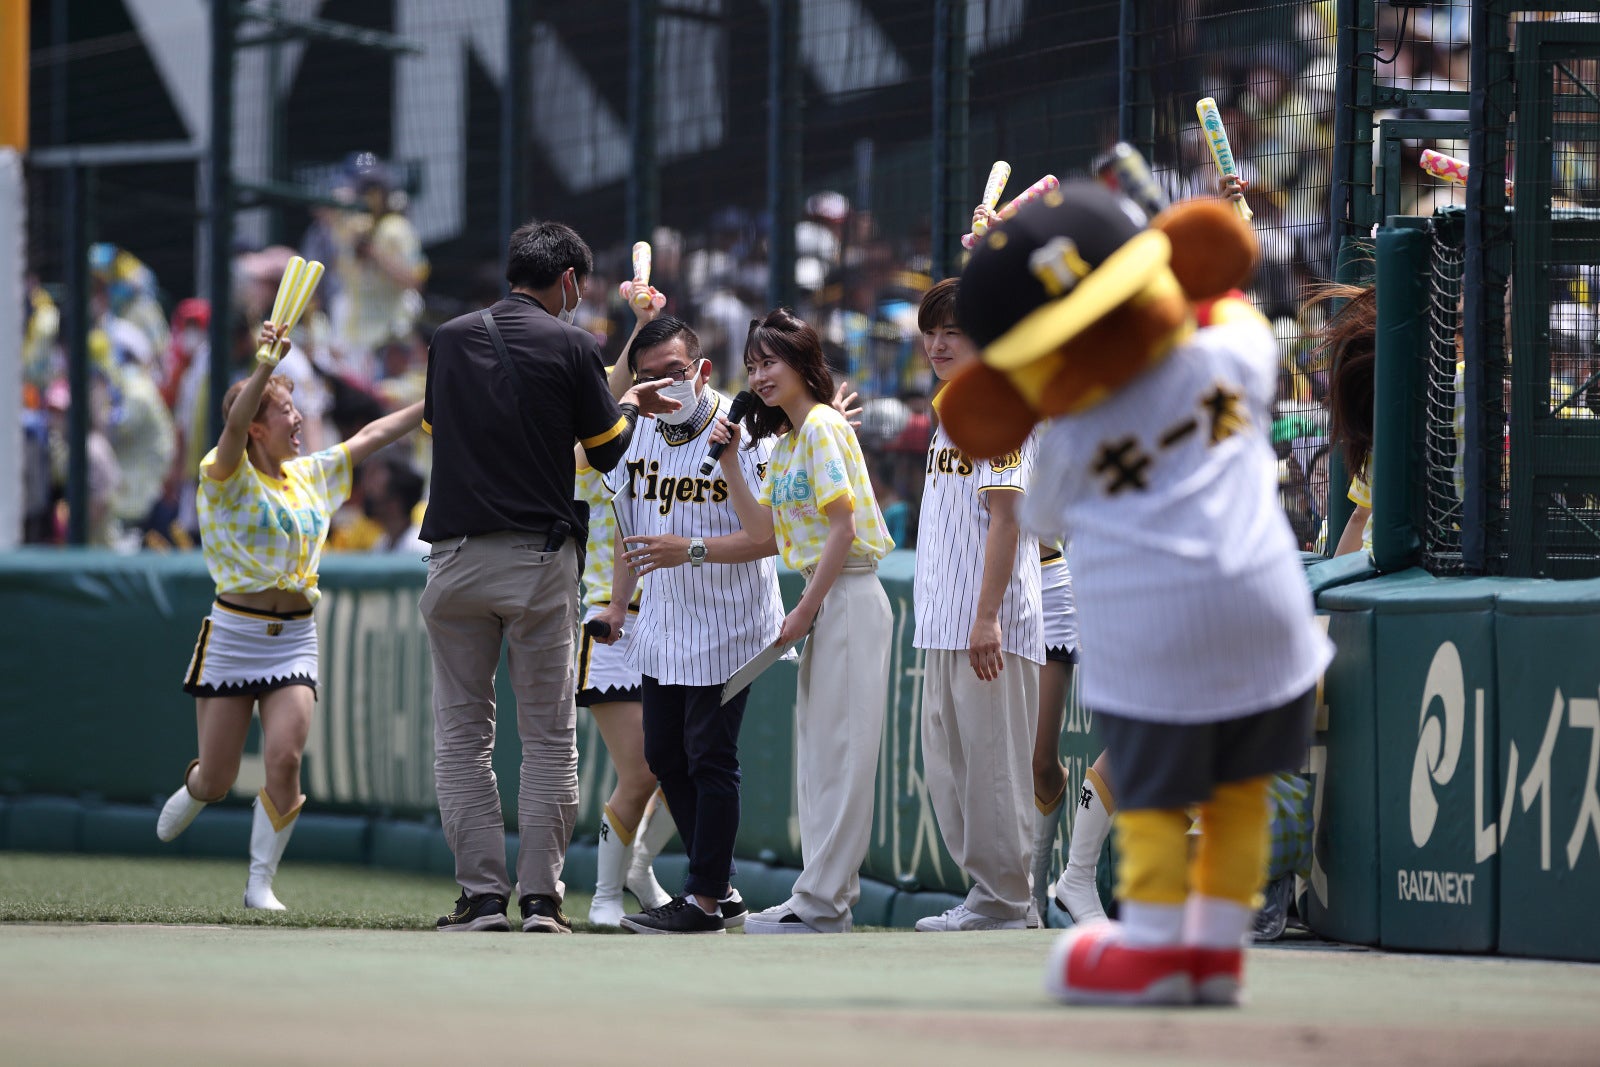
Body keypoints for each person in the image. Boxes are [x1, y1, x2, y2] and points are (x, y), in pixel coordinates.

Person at [941, 182, 1333, 1004]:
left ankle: (1154, 944)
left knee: (1154, 798)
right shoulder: (1230, 354)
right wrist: (1199, 271)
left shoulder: (1073, 437)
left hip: (1153, 639)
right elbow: (1234, 312)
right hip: (1269, 622)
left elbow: (1042, 511)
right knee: (1237, 797)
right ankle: (1217, 950)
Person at [420, 220, 678, 934]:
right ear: (568, 281)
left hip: (455, 559)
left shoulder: (448, 339)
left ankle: (478, 900)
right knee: (547, 739)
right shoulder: (572, 345)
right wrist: (629, 403)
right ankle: (539, 900)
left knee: (463, 738)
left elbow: (450, 430)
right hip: (538, 562)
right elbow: (606, 453)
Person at [155, 322, 424, 910]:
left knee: (284, 756)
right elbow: (229, 428)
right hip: (234, 636)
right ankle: (197, 787)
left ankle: (260, 883)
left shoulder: (311, 476)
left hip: (294, 639)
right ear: (257, 426)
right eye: (283, 411)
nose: (297, 419)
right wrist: (262, 367)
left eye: (296, 408)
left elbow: (374, 432)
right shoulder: (224, 475)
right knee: (220, 777)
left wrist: (438, 397)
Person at [703, 308, 896, 934]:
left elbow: (843, 527)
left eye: (770, 362)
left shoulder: (818, 428)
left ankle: (823, 903)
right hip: (825, 601)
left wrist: (805, 607)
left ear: (802, 362)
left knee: (841, 755)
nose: (759, 376)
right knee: (819, 756)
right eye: (752, 366)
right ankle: (816, 898)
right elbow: (764, 533)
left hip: (846, 597)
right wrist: (731, 461)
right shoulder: (790, 439)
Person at [590, 315, 784, 935]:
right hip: (666, 622)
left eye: (673, 375)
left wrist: (689, 549)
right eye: (647, 380)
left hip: (735, 623)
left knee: (709, 754)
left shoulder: (743, 431)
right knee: (664, 754)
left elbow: (768, 538)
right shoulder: (638, 431)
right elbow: (631, 531)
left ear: (701, 371)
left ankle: (702, 899)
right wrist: (620, 606)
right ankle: (718, 889)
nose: (661, 391)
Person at [911, 278, 1044, 933]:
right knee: (954, 768)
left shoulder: (1002, 400)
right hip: (943, 619)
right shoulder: (949, 409)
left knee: (993, 765)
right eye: (930, 330)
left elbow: (1006, 517)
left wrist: (987, 614)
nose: (938, 342)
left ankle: (1007, 901)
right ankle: (989, 893)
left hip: (988, 620)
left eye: (953, 329)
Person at [359, 453, 428, 556]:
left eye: (375, 490)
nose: (368, 492)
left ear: (395, 503)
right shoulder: (381, 545)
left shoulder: (419, 548)